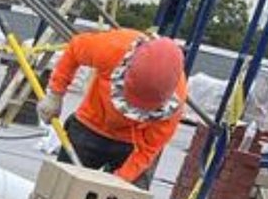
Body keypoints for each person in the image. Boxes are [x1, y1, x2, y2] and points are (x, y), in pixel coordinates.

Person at [37, 31, 186, 187]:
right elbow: (75, 49)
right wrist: (55, 94)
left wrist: (119, 182)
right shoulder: (113, 47)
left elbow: (147, 150)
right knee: (61, 187)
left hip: (133, 146)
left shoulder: (174, 103)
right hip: (90, 125)